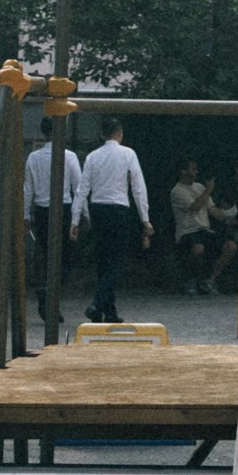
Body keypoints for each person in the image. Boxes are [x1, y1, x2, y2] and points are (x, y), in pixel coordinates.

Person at [78, 115, 150, 325]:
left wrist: (77, 218)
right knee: (116, 261)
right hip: (118, 209)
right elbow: (138, 188)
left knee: (103, 260)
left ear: (102, 134)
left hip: (97, 208)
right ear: (120, 133)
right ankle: (97, 304)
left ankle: (108, 310)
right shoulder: (128, 154)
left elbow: (83, 189)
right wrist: (145, 218)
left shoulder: (93, 156)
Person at [24, 126, 82, 279]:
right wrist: (82, 212)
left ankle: (47, 281)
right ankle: (60, 278)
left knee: (45, 247)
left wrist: (25, 214)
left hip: (42, 209)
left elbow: (28, 189)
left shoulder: (34, 157)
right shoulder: (70, 157)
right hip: (64, 207)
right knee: (65, 247)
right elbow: (78, 188)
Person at [169, 157, 220, 289]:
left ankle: (209, 280)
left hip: (205, 229)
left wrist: (229, 218)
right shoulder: (177, 191)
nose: (195, 172)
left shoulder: (199, 187)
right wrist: (208, 190)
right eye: (192, 169)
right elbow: (196, 206)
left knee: (227, 244)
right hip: (188, 231)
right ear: (182, 171)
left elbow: (212, 209)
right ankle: (189, 279)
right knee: (198, 249)